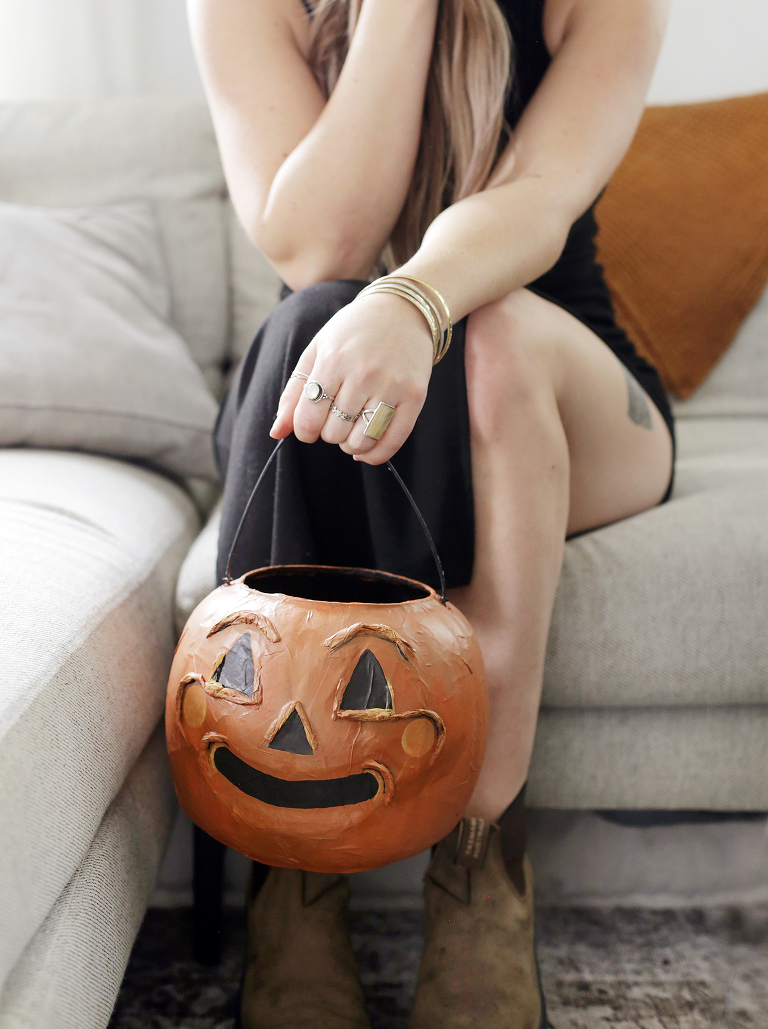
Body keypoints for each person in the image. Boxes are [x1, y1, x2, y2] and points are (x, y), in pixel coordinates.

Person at [188, 0, 675, 1025]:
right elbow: (321, 241)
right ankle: (294, 876)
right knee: (311, 314)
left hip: (546, 380)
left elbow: (540, 200)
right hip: (330, 388)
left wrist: (416, 303)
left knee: (485, 329)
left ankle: (480, 868)